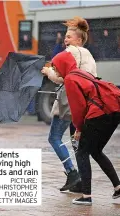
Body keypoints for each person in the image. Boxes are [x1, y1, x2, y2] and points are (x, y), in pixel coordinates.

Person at [51, 50, 120, 205]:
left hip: (98, 114)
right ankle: (118, 187)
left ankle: (86, 196)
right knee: (95, 151)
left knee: (82, 152)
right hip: (113, 111)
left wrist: (79, 129)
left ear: (63, 64)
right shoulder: (81, 73)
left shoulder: (70, 79)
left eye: (56, 67)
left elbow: (78, 108)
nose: (56, 71)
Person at [42, 16, 97, 193]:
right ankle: (81, 182)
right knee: (76, 142)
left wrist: (48, 71)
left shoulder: (70, 52)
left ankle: (72, 173)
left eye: (69, 37)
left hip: (68, 100)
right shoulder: (89, 56)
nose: (66, 40)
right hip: (84, 102)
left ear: (79, 39)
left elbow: (60, 77)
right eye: (65, 37)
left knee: (54, 138)